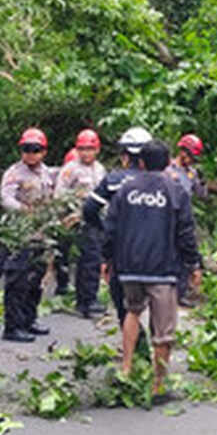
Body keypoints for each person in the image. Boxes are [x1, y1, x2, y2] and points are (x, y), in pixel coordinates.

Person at [102, 138, 201, 394]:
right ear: (168, 162)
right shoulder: (175, 190)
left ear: (142, 162)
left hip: (130, 265)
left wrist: (107, 258)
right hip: (163, 268)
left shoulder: (126, 189)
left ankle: (126, 367)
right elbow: (185, 232)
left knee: (132, 311)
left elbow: (110, 226)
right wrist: (193, 264)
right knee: (163, 329)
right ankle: (158, 384)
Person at [83, 127, 152, 327]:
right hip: (154, 251)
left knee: (125, 303)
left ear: (124, 156)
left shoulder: (114, 180)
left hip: (121, 250)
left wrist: (103, 229)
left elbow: (89, 209)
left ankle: (134, 344)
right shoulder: (161, 182)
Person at [0, 127, 56, 342]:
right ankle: (12, 327)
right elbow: (7, 199)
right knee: (17, 281)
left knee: (36, 280)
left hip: (41, 235)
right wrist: (24, 210)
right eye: (26, 149)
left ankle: (29, 320)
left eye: (35, 149)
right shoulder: (14, 173)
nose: (30, 153)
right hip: (20, 236)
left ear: (43, 151)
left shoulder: (47, 173)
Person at [54, 128, 107, 318]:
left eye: (90, 149)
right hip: (76, 221)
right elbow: (59, 195)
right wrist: (69, 215)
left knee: (93, 260)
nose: (86, 153)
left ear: (97, 150)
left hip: (95, 219)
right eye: (82, 149)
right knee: (85, 260)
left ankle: (89, 298)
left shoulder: (100, 169)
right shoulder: (70, 169)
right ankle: (84, 301)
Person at [165, 133, 208, 304]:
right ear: (182, 152)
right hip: (168, 215)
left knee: (184, 254)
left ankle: (181, 293)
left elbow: (201, 194)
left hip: (184, 216)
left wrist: (202, 181)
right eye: (189, 156)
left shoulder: (191, 173)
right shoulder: (168, 169)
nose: (191, 160)